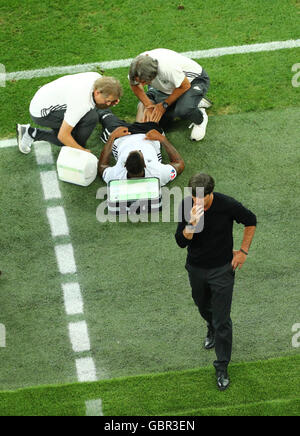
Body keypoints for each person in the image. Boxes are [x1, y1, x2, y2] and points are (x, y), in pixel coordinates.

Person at [175, 173, 257, 391]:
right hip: (196, 268)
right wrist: (192, 222)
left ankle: (222, 366)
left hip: (222, 270)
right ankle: (210, 326)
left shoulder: (226, 204)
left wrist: (243, 252)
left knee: (223, 320)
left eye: (202, 198)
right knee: (202, 305)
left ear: (211, 193)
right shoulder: (186, 206)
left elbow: (251, 220)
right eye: (194, 198)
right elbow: (181, 242)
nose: (197, 202)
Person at [17, 73, 123, 155]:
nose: (109, 103)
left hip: (46, 98)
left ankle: (77, 143)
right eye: (108, 100)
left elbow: (98, 103)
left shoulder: (97, 78)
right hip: (42, 114)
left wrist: (109, 103)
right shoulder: (81, 103)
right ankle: (30, 133)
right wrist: (81, 150)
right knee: (74, 136)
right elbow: (63, 135)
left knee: (88, 118)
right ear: (97, 92)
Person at [129, 48, 212, 141]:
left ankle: (200, 118)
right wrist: (148, 105)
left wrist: (164, 105)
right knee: (154, 121)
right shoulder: (135, 68)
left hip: (193, 81)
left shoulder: (167, 68)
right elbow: (134, 85)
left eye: (144, 81)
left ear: (154, 74)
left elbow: (184, 85)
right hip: (170, 85)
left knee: (183, 110)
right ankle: (190, 101)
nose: (142, 85)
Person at [97, 110, 184, 185]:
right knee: (150, 112)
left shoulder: (116, 177)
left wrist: (112, 136)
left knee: (104, 114)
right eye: (140, 152)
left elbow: (102, 167)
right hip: (149, 134)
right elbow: (179, 163)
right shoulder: (158, 174)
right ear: (145, 165)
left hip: (121, 136)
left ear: (124, 165)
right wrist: (162, 139)